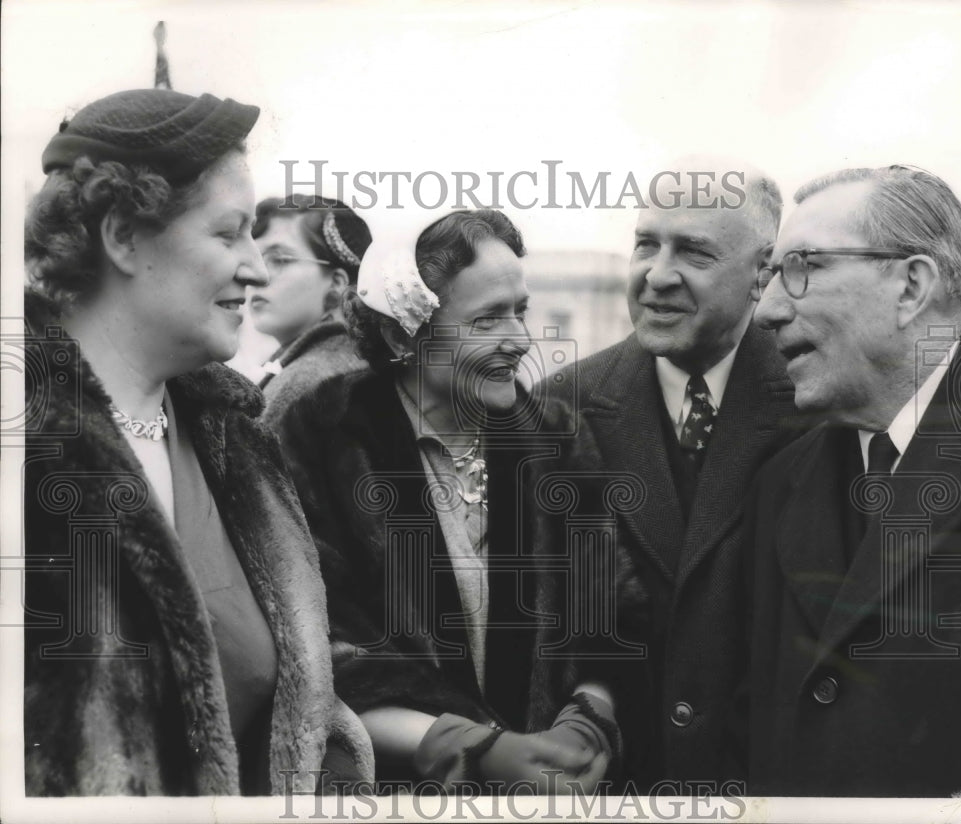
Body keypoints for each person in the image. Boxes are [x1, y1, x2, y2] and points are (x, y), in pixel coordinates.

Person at [22, 88, 373, 795]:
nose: (256, 268)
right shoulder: (26, 454)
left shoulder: (236, 441)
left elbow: (297, 694)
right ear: (123, 235)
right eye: (228, 233)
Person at [271, 209, 619, 790]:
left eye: (520, 311)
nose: (520, 340)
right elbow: (318, 655)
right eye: (487, 321)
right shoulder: (321, 441)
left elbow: (610, 620)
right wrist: (465, 748)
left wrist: (588, 722)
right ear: (401, 333)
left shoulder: (557, 440)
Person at [538, 159, 798, 791]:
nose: (656, 276)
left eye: (694, 253)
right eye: (645, 244)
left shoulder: (814, 404)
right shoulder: (558, 410)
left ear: (762, 274)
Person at [748, 165, 961, 796]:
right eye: (768, 276)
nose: (766, 310)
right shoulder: (780, 483)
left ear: (910, 287)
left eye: (803, 267)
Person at [249, 194, 370, 423]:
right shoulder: (327, 365)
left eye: (280, 260)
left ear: (336, 282)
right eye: (255, 260)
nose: (257, 276)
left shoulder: (310, 381)